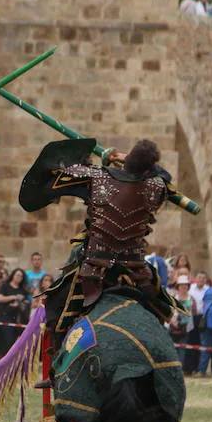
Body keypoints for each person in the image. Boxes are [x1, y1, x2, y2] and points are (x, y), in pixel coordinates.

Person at [20, 138, 184, 357]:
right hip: (135, 270)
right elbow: (164, 175)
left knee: (57, 308)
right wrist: (125, 159)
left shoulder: (97, 177)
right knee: (159, 307)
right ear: (148, 166)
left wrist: (98, 160)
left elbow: (55, 176)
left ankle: (59, 358)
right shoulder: (156, 185)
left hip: (95, 266)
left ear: (129, 159)